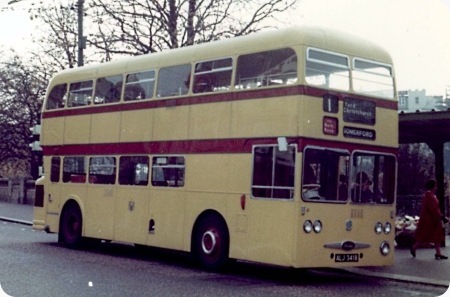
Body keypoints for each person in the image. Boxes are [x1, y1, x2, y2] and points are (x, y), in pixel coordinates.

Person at [410, 179, 448, 260]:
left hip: (432, 219)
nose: (436, 187)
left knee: (434, 236)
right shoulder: (429, 196)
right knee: (426, 236)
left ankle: (438, 253)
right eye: (435, 186)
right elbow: (433, 208)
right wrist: (441, 216)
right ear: (432, 187)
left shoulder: (430, 195)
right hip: (430, 220)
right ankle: (414, 247)